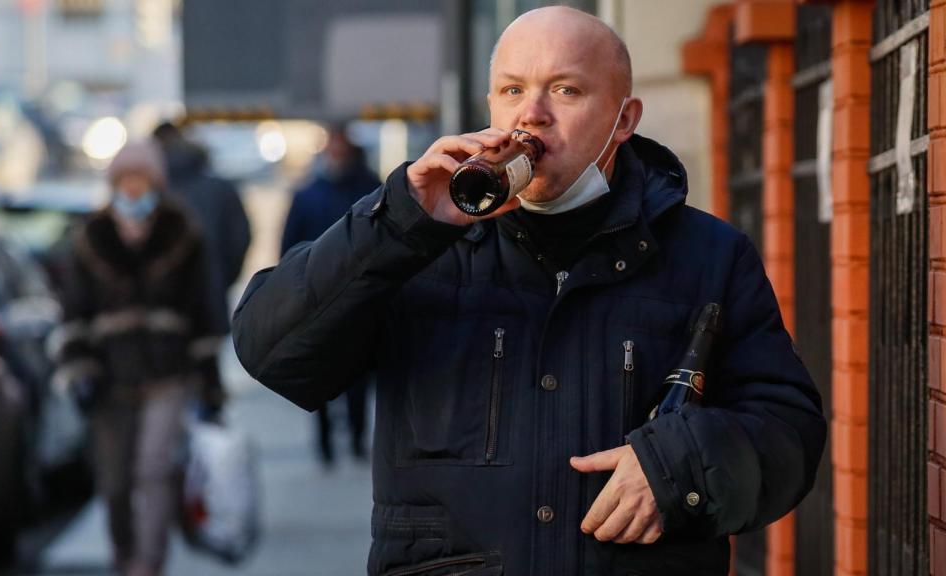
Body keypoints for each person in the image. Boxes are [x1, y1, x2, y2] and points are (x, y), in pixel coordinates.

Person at [232, 7, 827, 576]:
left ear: (623, 119)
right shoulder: (418, 242)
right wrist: (398, 223)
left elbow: (788, 431)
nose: (532, 114)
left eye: (565, 91)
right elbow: (272, 352)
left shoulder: (709, 255)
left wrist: (679, 468)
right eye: (512, 90)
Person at [48, 141, 218, 576]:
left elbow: (203, 309)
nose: (133, 190)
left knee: (153, 471)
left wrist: (209, 380)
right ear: (114, 185)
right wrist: (80, 369)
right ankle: (125, 557)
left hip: (168, 373)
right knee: (115, 482)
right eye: (125, 181)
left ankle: (149, 564)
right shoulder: (90, 239)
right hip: (110, 379)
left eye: (141, 181)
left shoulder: (182, 235)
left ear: (155, 184)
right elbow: (73, 311)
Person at [281, 126, 381, 465]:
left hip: (359, 298)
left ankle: (354, 437)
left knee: (356, 377)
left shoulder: (370, 188)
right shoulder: (309, 194)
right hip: (317, 300)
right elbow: (290, 247)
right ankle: (324, 443)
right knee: (320, 374)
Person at [152, 122, 252, 414]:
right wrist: (222, 278)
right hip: (209, 300)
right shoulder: (217, 187)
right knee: (207, 382)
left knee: (167, 393)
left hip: (162, 309)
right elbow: (240, 237)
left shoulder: (156, 191)